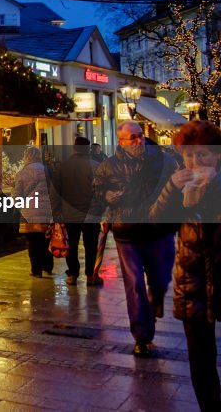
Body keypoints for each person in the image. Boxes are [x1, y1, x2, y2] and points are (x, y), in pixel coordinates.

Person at [150, 121, 221, 410]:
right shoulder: (179, 184)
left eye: (203, 154)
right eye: (189, 155)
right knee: (201, 360)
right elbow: (156, 222)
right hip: (192, 281)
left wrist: (213, 188)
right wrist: (171, 189)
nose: (195, 162)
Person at [93, 120, 178, 358]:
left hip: (159, 230)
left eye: (140, 135)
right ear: (121, 141)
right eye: (133, 137)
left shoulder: (163, 161)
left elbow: (177, 189)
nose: (139, 140)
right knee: (134, 284)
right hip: (127, 230)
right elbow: (97, 190)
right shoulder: (109, 166)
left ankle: (154, 303)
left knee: (161, 279)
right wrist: (106, 196)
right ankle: (142, 336)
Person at [51, 136, 104, 286]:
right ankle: (91, 275)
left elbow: (55, 191)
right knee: (91, 246)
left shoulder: (62, 166)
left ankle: (73, 274)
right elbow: (101, 191)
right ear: (88, 149)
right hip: (91, 214)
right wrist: (101, 209)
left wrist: (56, 211)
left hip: (69, 213)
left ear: (74, 148)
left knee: (71, 245)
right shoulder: (96, 166)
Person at [14, 146, 54, 277]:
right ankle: (47, 266)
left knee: (33, 242)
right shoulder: (48, 170)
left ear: (26, 157)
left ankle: (36, 270)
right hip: (47, 211)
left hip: (29, 212)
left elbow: (17, 195)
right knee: (46, 239)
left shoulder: (22, 173)